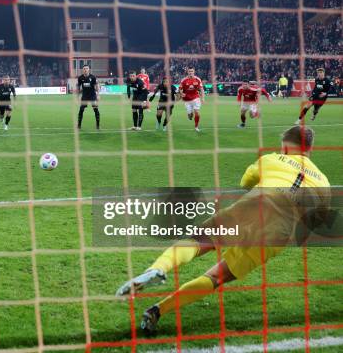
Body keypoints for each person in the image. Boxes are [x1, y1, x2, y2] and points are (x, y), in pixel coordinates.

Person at [116, 125, 330, 336]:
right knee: (217, 276)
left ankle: (157, 269)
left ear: (285, 147)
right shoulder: (323, 182)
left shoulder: (272, 159)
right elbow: (314, 222)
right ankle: (157, 310)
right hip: (278, 235)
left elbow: (245, 181)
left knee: (200, 240)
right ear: (309, 149)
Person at [179, 67, 204, 132]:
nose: (190, 72)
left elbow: (201, 89)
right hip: (187, 99)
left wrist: (203, 98)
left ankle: (196, 127)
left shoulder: (197, 79)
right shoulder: (183, 80)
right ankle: (189, 114)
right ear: (187, 72)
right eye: (189, 71)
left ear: (194, 72)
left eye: (192, 71)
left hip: (196, 98)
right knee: (190, 116)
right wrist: (181, 94)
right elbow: (180, 89)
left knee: (197, 112)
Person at [77, 65, 100, 130]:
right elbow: (78, 87)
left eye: (87, 68)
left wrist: (98, 95)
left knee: (96, 109)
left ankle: (97, 125)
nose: (85, 70)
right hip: (84, 96)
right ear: (82, 70)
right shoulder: (80, 78)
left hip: (92, 96)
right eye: (84, 68)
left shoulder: (93, 77)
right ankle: (79, 125)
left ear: (89, 69)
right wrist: (78, 96)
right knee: (81, 110)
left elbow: (96, 86)